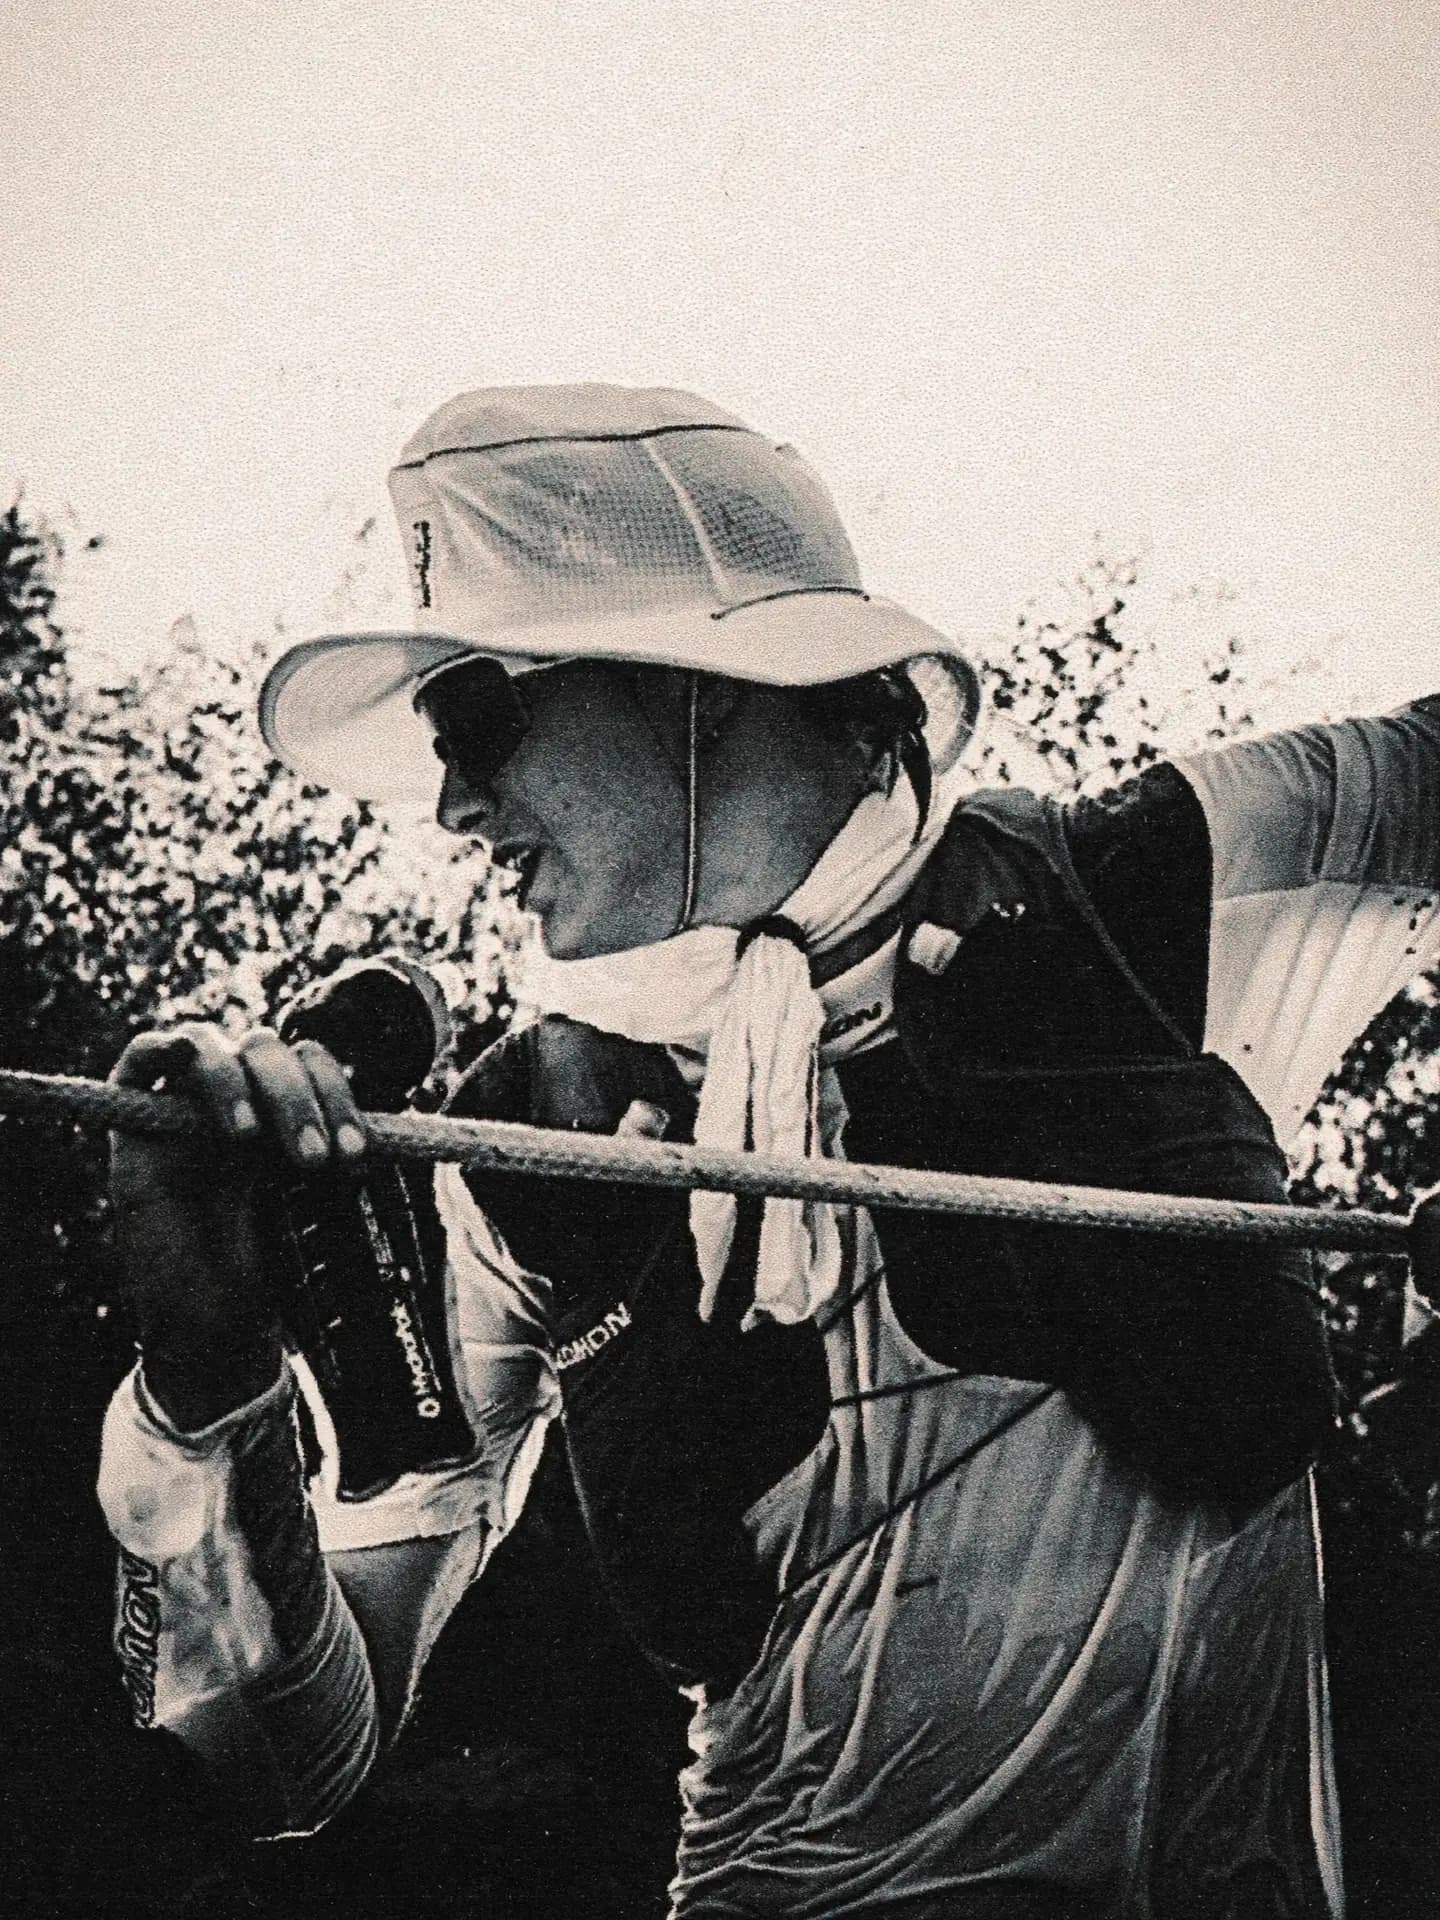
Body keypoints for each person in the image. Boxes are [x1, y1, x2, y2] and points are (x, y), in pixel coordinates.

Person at [97, 384, 1440, 1917]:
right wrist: (207, 1391)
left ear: (702, 681)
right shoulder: (522, 1147)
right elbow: (292, 1765)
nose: (455, 805)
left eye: (476, 718)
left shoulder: (1153, 888)